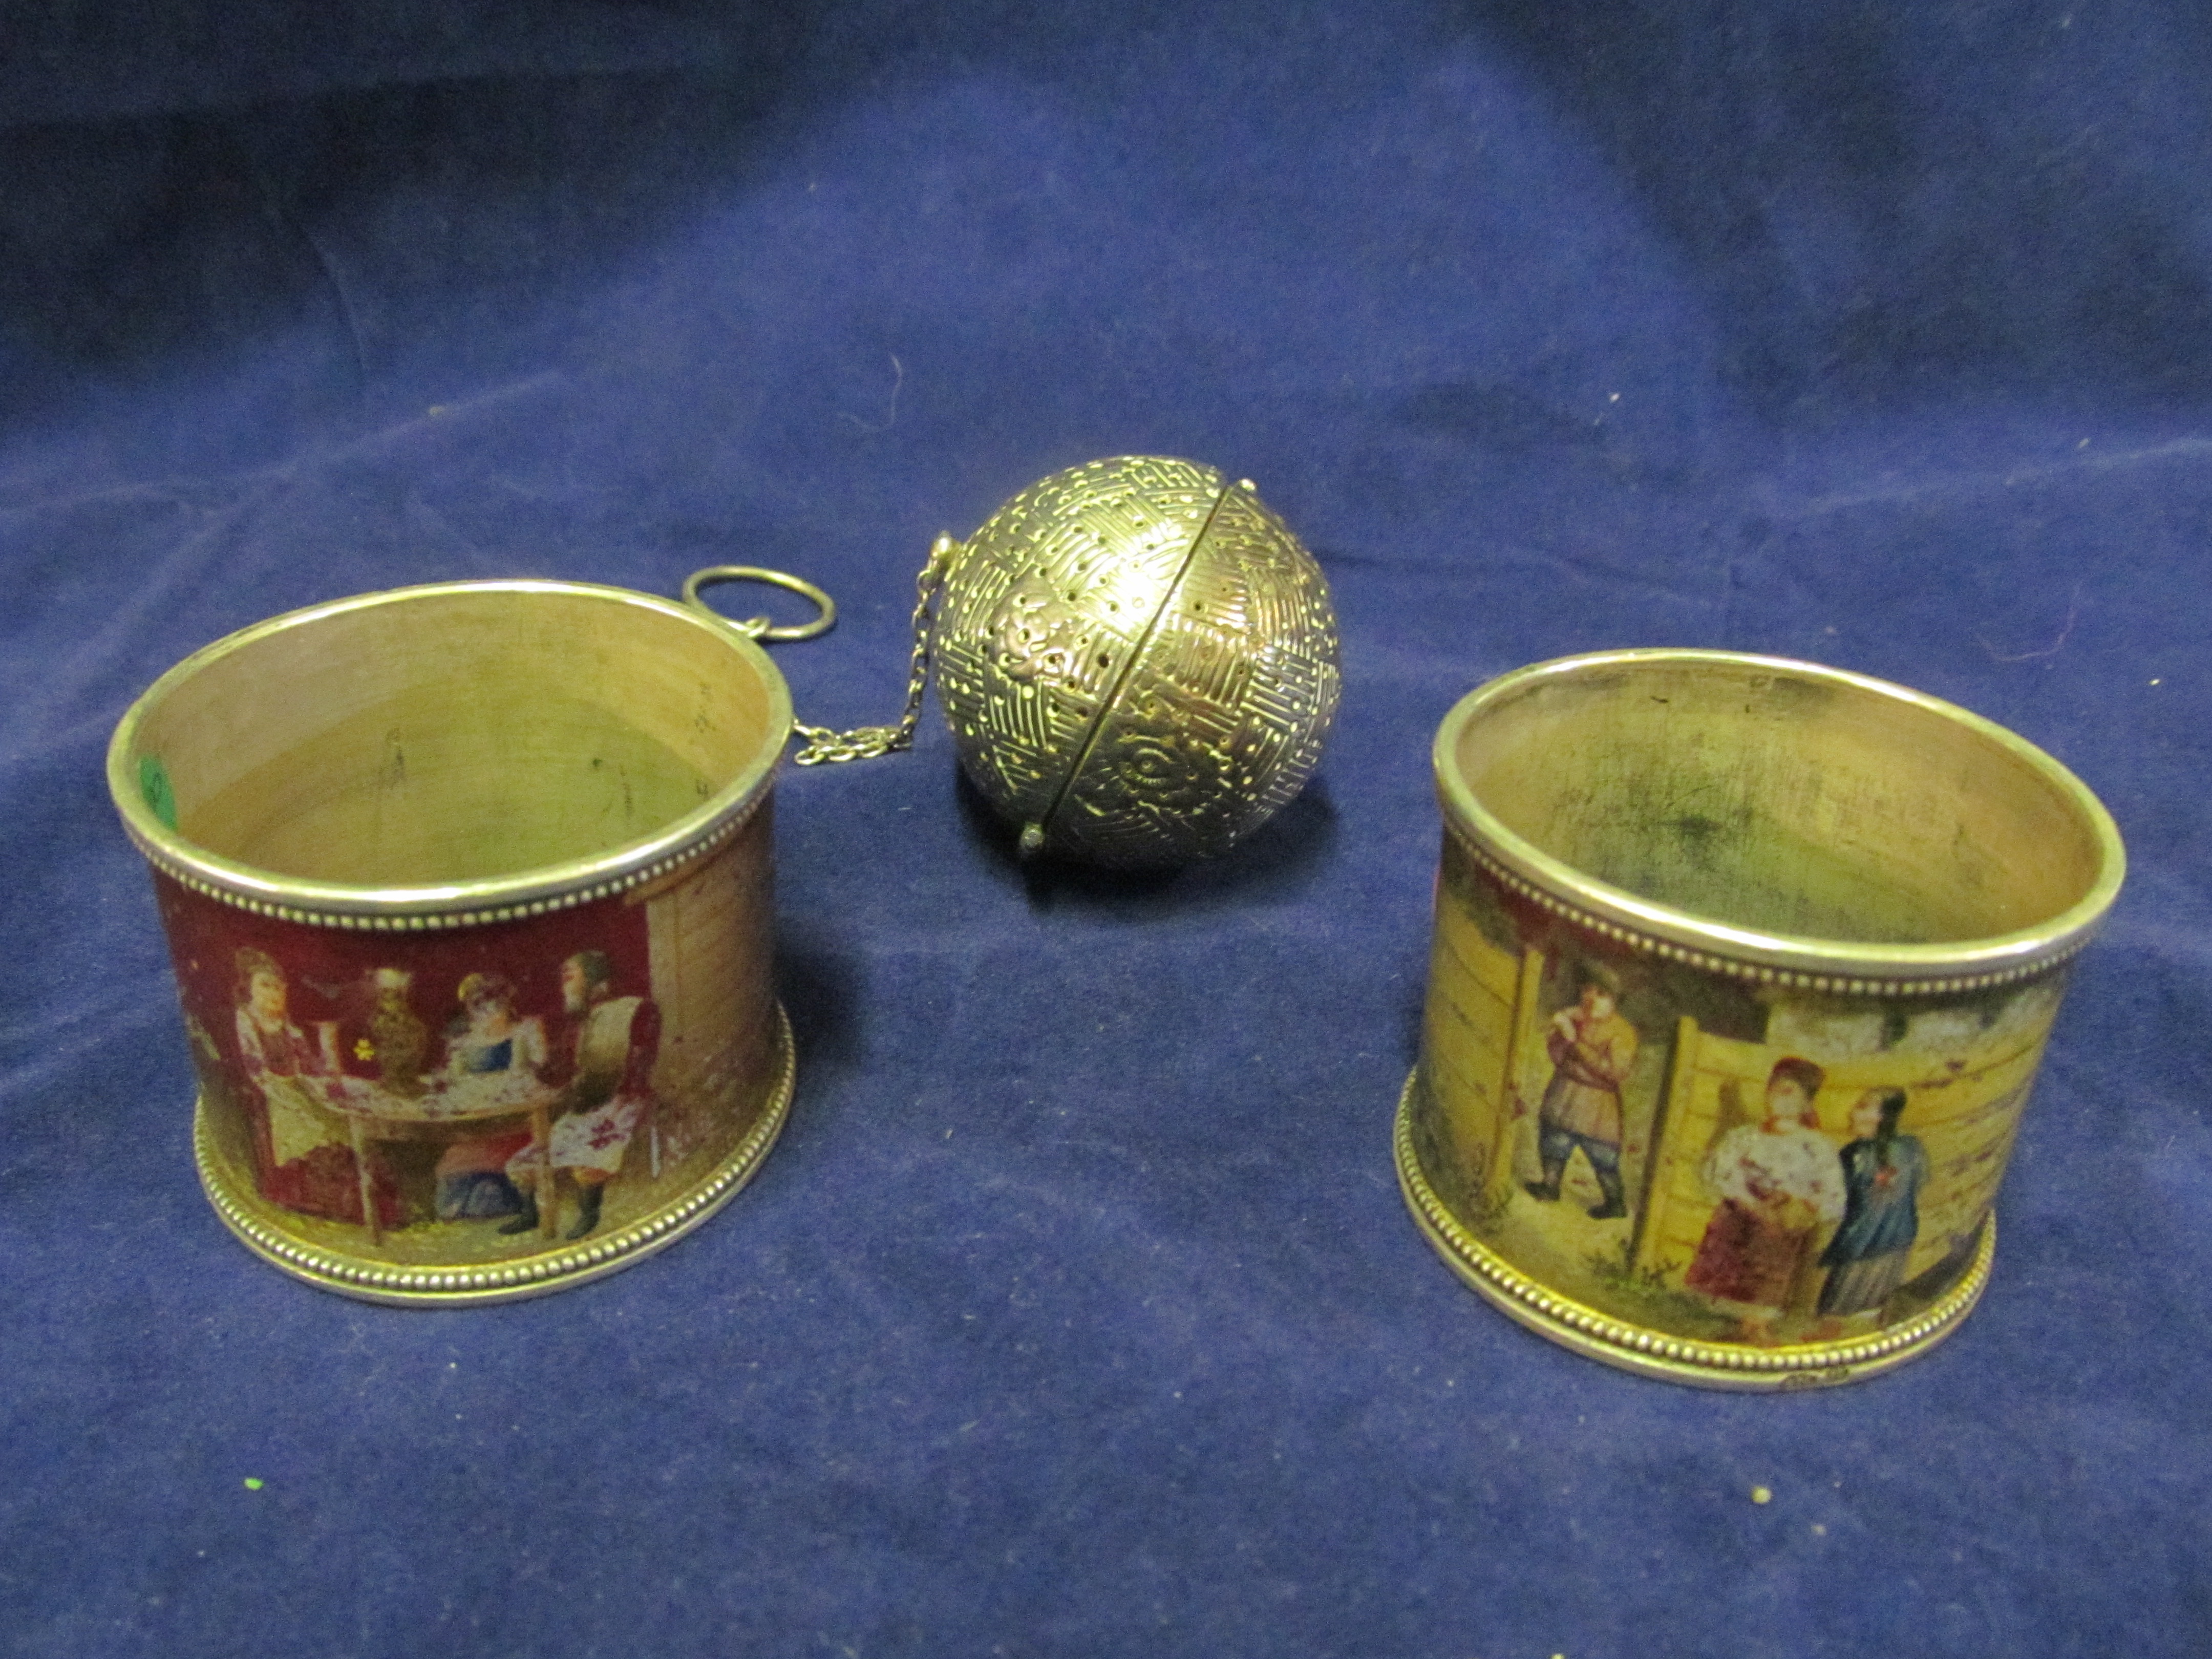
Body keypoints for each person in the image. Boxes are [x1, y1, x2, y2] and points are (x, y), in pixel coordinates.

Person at [1684, 1057, 1846, 1343]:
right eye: (1773, 1090)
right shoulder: (1746, 1137)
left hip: (1784, 1224)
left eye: (1788, 1093)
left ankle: (1757, 1324)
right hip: (1743, 1214)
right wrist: (1750, 1202)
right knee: (1735, 1235)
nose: (1777, 1099)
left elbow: (1831, 1192)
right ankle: (1743, 1323)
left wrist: (1799, 1206)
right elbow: (1723, 1173)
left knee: (1771, 1246)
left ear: (1807, 1103)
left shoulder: (1815, 1147)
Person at [503, 951, 660, 1240]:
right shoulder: (580, 1022)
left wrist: (587, 1091)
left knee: (588, 1159)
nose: (564, 986)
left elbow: (620, 1070)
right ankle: (530, 1214)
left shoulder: (629, 1011)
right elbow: (562, 1072)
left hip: (621, 1103)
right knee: (526, 1161)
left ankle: (590, 1213)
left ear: (598, 982)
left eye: (570, 977)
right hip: (588, 1106)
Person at [231, 947, 392, 1225]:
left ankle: (361, 1201)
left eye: (280, 988)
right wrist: (298, 1100)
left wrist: (329, 1068)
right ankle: (318, 1200)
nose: (274, 994)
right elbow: (257, 1072)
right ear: (249, 988)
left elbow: (308, 1064)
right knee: (318, 1132)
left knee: (346, 1124)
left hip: (300, 1091)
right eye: (265, 985)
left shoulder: (285, 1024)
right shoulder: (247, 1019)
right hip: (275, 1100)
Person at [1522, 967, 1639, 1219]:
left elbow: (1614, 1072)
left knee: (1603, 1157)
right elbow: (1556, 1056)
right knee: (1554, 1141)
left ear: (1614, 1001)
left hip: (1598, 1106)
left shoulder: (1622, 1032)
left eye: (1601, 994)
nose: (1591, 999)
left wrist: (1576, 1042)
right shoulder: (1577, 1019)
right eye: (1587, 990)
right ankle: (1549, 1186)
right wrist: (1561, 1037)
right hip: (1564, 1093)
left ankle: (1615, 1203)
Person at [432, 972, 547, 1222]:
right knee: (456, 1163)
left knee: (498, 1162)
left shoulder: (522, 1033)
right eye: (479, 1007)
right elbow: (454, 1081)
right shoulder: (464, 1042)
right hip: (476, 1122)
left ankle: (507, 1200)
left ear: (507, 1005)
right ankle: (466, 1205)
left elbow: (538, 1073)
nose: (489, 1014)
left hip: (514, 1121)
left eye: (496, 1006)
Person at [1813, 1089, 1928, 1333]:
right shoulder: (1859, 1153)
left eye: (1864, 1107)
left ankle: (1837, 1332)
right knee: (1852, 1300)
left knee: (1848, 1302)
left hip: (1871, 1240)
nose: (1853, 1113)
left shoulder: (1865, 1153)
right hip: (1879, 1237)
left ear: (1883, 1117)